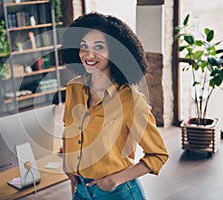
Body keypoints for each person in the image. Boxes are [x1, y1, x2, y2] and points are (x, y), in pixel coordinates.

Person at [61, 12, 169, 200]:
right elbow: (68, 129)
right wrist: (67, 164)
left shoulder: (131, 101)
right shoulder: (74, 89)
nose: (89, 55)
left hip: (118, 192)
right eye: (83, 47)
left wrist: (114, 180)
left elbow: (158, 155)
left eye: (99, 47)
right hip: (81, 190)